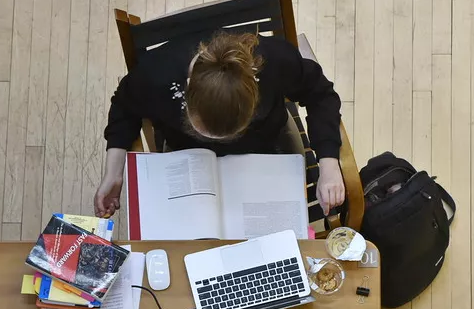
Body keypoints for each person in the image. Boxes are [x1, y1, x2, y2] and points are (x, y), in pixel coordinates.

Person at [94, 31, 345, 218]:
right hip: (188, 155)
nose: (220, 142)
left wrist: (329, 164)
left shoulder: (274, 60)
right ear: (188, 88)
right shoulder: (157, 73)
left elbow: (320, 93)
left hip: (268, 146)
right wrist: (114, 173)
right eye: (204, 130)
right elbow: (124, 107)